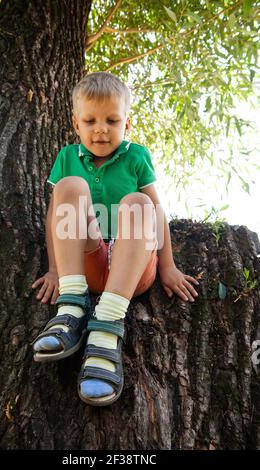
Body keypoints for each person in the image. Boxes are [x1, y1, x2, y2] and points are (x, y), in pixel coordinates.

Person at [31, 72, 199, 406]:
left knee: (139, 203)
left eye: (112, 120)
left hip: (132, 269)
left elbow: (158, 212)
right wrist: (55, 270)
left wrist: (168, 266)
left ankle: (107, 323)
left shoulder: (136, 157)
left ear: (127, 125)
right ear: (76, 125)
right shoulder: (67, 157)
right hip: (86, 264)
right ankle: (72, 306)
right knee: (68, 188)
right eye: (90, 121)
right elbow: (57, 217)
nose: (100, 129)